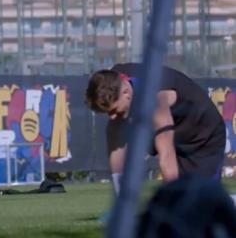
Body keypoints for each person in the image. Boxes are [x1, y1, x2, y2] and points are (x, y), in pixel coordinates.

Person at [85, 63, 225, 194]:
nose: (112, 116)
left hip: (203, 137)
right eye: (108, 112)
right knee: (117, 126)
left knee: (202, 201)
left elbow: (166, 157)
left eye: (114, 110)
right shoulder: (113, 79)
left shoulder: (156, 99)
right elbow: (116, 143)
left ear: (126, 92)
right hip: (172, 129)